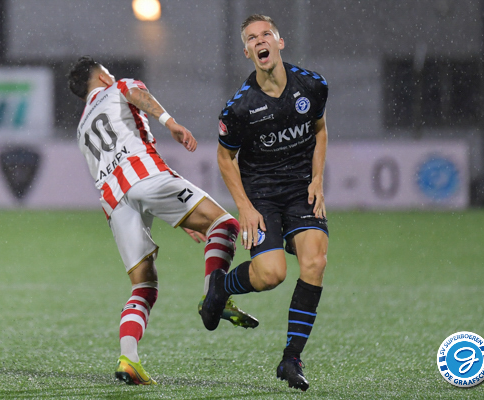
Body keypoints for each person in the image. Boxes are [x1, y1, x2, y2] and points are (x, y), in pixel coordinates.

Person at [67, 56, 258, 386]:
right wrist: (170, 122)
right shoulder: (117, 87)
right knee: (224, 225)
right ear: (101, 77)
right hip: (145, 175)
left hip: (115, 203)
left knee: (143, 287)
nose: (112, 75)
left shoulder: (82, 129)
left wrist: (181, 218)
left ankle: (128, 359)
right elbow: (137, 94)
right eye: (107, 72)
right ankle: (213, 296)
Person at [199, 15, 329, 392]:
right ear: (247, 52)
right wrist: (245, 206)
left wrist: (317, 179)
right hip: (261, 194)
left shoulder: (313, 85)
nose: (260, 41)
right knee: (272, 275)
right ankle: (221, 286)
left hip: (300, 189)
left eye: (266, 34)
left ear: (279, 42)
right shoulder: (239, 108)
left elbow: (320, 130)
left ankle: (291, 359)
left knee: (315, 262)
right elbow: (225, 157)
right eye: (252, 38)